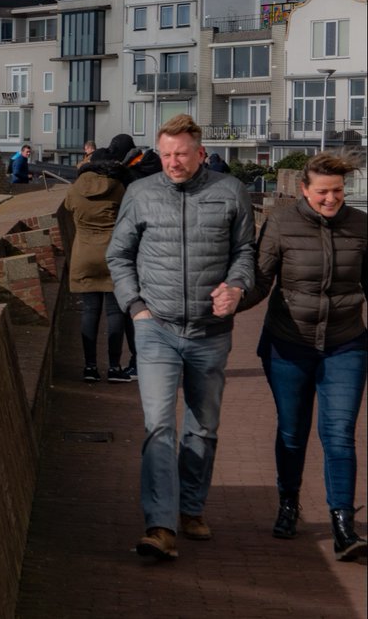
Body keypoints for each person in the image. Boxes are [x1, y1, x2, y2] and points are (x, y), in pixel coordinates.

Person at [106, 114, 255, 561]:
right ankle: (160, 525)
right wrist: (137, 308)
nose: (172, 162)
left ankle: (191, 508)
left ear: (200, 153)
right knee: (158, 426)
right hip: (157, 329)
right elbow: (119, 254)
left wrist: (237, 287)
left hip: (211, 332)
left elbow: (244, 251)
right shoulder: (140, 193)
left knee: (202, 428)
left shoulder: (230, 193)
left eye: (181, 154)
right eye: (166, 154)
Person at [238, 151, 367, 560]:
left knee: (340, 435)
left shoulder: (361, 226)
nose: (332, 199)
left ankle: (343, 524)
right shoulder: (281, 223)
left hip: (346, 342)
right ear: (304, 190)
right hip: (288, 344)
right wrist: (230, 301)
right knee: (293, 432)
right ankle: (288, 503)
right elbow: (261, 281)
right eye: (323, 192)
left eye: (339, 192)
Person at [65, 147, 136, 382]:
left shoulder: (76, 188)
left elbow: (67, 208)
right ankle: (114, 368)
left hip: (84, 254)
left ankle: (90, 367)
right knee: (115, 312)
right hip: (113, 255)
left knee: (89, 311)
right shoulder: (118, 187)